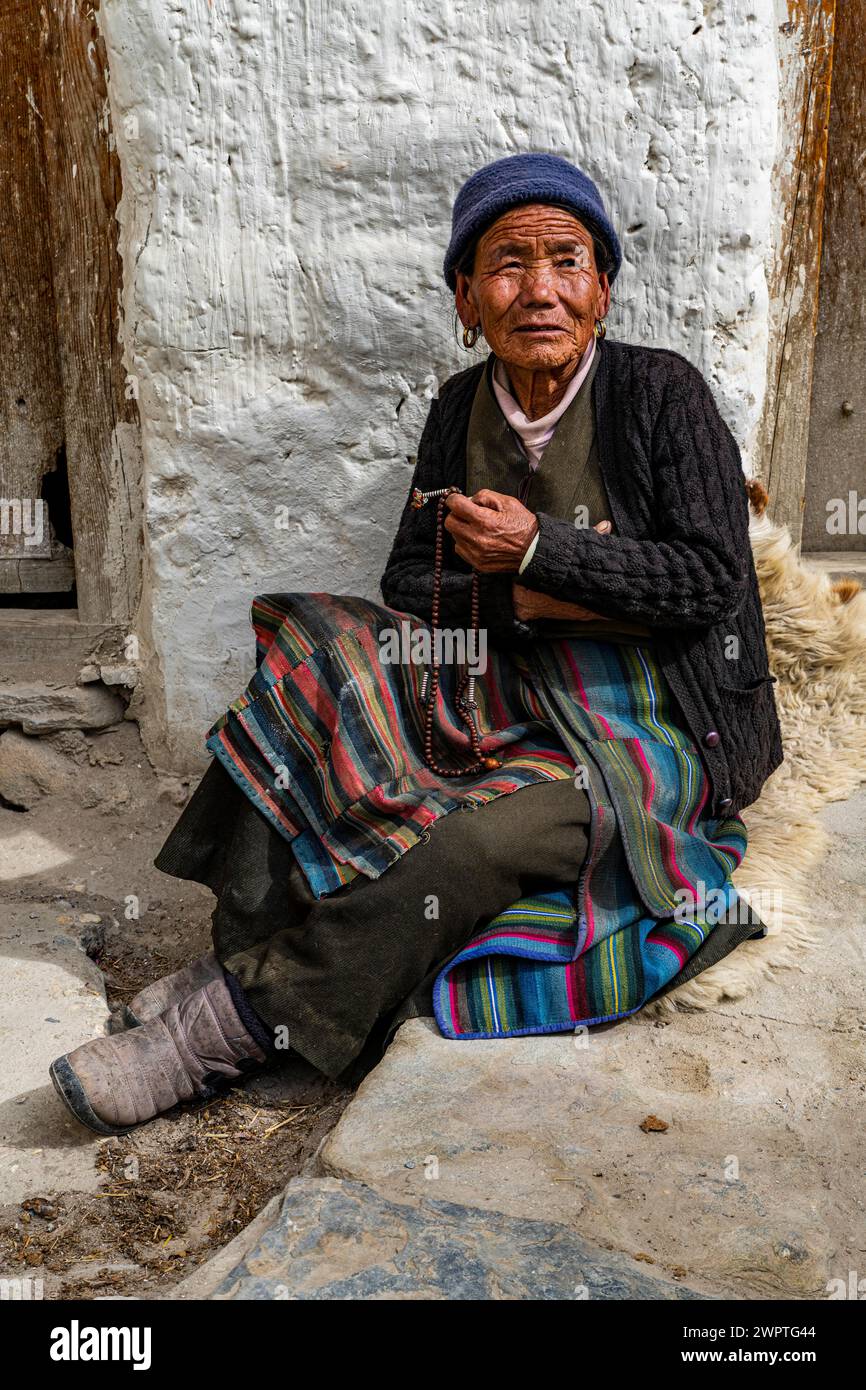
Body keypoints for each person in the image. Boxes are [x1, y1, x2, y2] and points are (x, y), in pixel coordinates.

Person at [50, 152, 783, 1136]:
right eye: (505, 264)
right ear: (465, 295)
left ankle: (221, 1030)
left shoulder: (660, 394)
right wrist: (527, 589)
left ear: (600, 287)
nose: (538, 289)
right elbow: (409, 578)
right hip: (501, 678)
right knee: (311, 660)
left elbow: (707, 580)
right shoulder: (457, 408)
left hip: (648, 722)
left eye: (565, 260)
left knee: (467, 841)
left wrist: (536, 550)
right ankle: (250, 941)